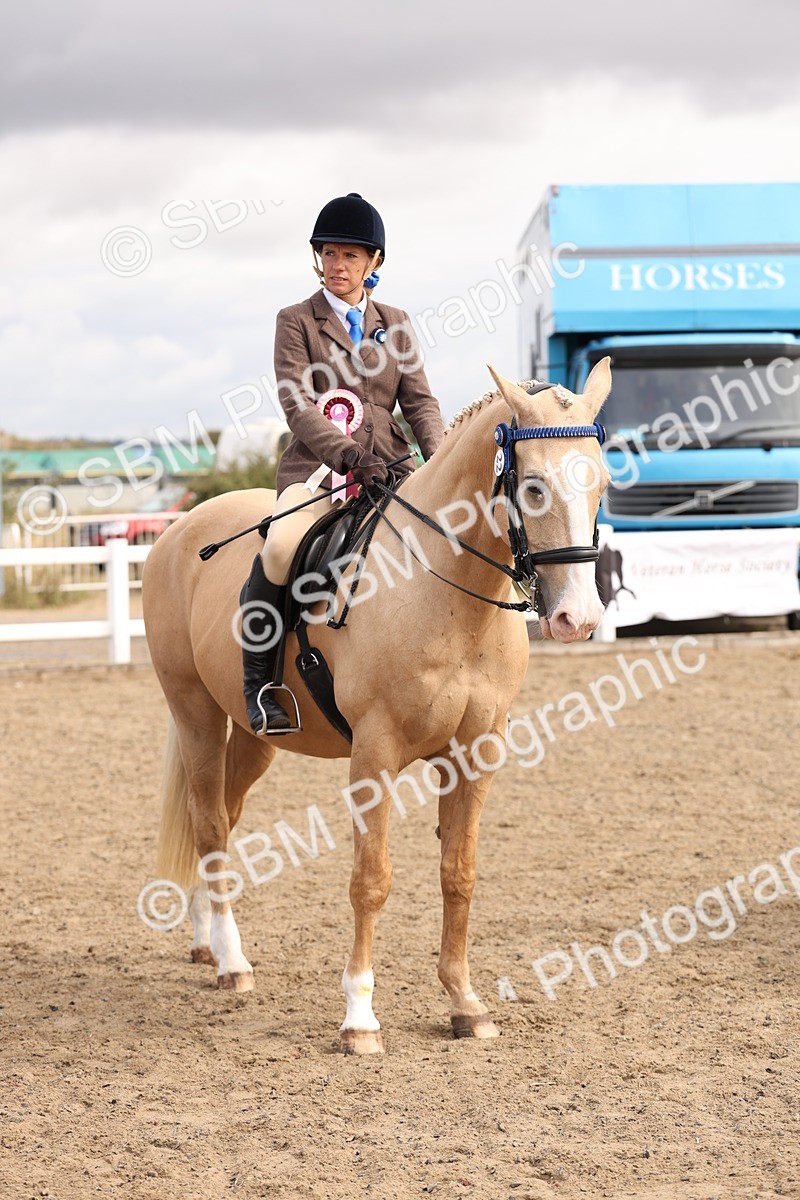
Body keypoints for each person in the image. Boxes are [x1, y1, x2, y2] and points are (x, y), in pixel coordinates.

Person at [241, 192, 445, 736]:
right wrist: (348, 454)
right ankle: (260, 683)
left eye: (350, 256)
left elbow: (419, 402)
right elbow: (296, 402)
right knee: (282, 546)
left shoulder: (395, 322)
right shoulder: (296, 320)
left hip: (394, 468)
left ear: (373, 262)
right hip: (318, 469)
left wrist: (440, 456)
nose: (337, 265)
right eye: (329, 254)